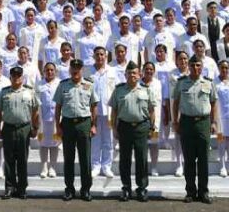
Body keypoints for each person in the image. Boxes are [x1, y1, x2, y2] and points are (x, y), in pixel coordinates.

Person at [172, 55, 217, 204]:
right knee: (189, 159)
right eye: (192, 66)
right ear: (188, 67)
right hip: (186, 123)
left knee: (203, 159)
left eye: (198, 65)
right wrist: (175, 121)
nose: (195, 68)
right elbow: (176, 102)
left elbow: (213, 102)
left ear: (202, 67)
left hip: (203, 123)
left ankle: (204, 192)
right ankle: (190, 191)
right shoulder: (181, 83)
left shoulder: (209, 83)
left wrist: (214, 122)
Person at [54, 58, 99, 202]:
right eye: (73, 68)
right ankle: (69, 188)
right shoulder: (63, 85)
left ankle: (86, 189)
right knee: (69, 158)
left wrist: (93, 125)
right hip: (67, 124)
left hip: (84, 123)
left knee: (85, 158)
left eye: (78, 68)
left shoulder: (89, 85)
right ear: (70, 70)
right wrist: (57, 126)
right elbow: (58, 107)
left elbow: (94, 107)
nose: (75, 70)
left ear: (82, 70)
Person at [110, 61, 156, 202]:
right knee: (125, 159)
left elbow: (151, 110)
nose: (132, 75)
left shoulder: (146, 90)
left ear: (139, 74)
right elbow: (114, 111)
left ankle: (141, 188)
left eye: (134, 73)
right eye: (129, 73)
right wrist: (114, 128)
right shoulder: (119, 90)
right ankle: (126, 188)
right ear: (125, 75)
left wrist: (152, 127)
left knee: (141, 159)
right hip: (124, 127)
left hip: (141, 127)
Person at [0, 65, 40, 199]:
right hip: (8, 128)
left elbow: (35, 111)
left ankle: (22, 188)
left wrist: (35, 128)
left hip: (24, 128)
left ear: (22, 78)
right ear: (10, 77)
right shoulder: (4, 92)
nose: (16, 78)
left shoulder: (30, 92)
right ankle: (9, 187)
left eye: (18, 76)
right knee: (9, 160)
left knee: (22, 159)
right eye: (13, 76)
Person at [84, 46, 116, 178]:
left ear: (106, 56)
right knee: (95, 140)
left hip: (108, 109)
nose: (100, 57)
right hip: (94, 110)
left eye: (102, 54)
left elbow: (116, 90)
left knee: (108, 140)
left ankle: (107, 166)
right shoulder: (88, 71)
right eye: (97, 54)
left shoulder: (112, 71)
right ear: (93, 56)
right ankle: (95, 166)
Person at [37, 62, 61, 178]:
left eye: (52, 70)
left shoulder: (59, 83)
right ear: (43, 71)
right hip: (43, 118)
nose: (49, 72)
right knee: (43, 143)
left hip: (56, 117)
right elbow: (36, 102)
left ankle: (52, 167)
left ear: (55, 71)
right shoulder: (39, 84)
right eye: (47, 70)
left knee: (54, 143)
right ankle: (43, 167)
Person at [140, 61, 164, 176]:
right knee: (142, 144)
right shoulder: (138, 83)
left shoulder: (158, 83)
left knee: (154, 144)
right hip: (141, 118)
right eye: (147, 69)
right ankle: (143, 167)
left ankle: (154, 166)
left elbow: (161, 101)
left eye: (151, 69)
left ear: (154, 71)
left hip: (156, 118)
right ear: (142, 71)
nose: (149, 71)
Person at [169, 51, 190, 177]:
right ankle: (179, 164)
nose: (183, 61)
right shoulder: (172, 74)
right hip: (176, 107)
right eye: (180, 59)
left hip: (189, 108)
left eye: (185, 59)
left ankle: (188, 163)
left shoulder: (193, 72)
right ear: (176, 61)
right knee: (177, 136)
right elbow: (169, 93)